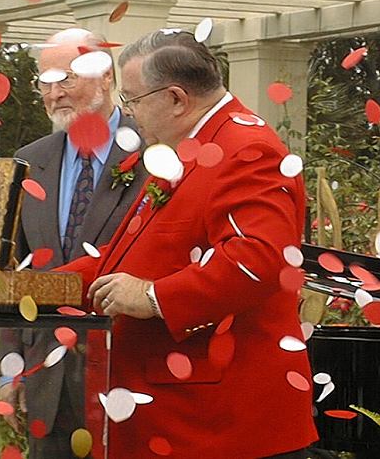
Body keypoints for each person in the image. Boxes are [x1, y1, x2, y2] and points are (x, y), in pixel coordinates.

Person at [62, 30, 319, 459]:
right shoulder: (198, 145)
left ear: (177, 98)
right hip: (180, 416)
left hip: (217, 424)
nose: (129, 114)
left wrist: (154, 296)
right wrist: (30, 286)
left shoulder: (248, 149)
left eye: (132, 100)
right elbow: (128, 257)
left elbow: (259, 259)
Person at [11, 28, 147, 458]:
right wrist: (11, 367)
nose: (55, 94)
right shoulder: (30, 160)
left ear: (105, 75)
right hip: (47, 385)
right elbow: (13, 269)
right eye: (45, 82)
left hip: (129, 376)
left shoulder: (155, 152)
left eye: (66, 78)